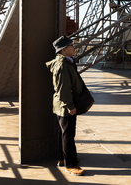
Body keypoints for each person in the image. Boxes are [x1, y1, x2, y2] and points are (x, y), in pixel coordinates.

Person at [46, 35, 85, 176]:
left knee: (64, 133)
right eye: (71, 45)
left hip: (62, 104)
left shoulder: (66, 62)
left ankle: (62, 158)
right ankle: (71, 165)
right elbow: (62, 89)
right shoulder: (62, 65)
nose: (74, 47)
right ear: (63, 50)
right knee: (68, 135)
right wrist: (70, 105)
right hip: (65, 105)